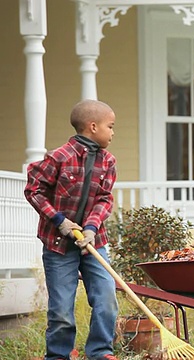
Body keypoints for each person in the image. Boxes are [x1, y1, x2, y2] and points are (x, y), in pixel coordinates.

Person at [24, 99, 119, 360]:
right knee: (61, 311)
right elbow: (34, 190)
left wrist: (90, 228)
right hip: (58, 244)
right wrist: (60, 221)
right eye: (110, 127)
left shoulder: (108, 161)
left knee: (106, 299)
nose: (112, 132)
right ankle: (58, 356)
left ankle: (100, 352)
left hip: (93, 242)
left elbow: (104, 198)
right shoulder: (58, 157)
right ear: (92, 126)